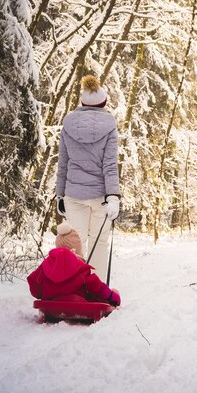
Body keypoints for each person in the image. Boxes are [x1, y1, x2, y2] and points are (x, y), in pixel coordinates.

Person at [55, 74, 120, 282]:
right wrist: (113, 196)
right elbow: (109, 166)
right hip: (100, 196)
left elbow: (63, 163)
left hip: (73, 195)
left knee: (74, 243)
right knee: (99, 242)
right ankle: (96, 288)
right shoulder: (109, 127)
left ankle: (70, 288)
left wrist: (60, 195)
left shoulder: (68, 125)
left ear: (82, 102)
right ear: (103, 102)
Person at [27, 222, 121, 306]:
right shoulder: (80, 269)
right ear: (77, 251)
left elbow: (34, 285)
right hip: (76, 303)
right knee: (94, 295)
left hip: (51, 303)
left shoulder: (45, 266)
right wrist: (112, 297)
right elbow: (97, 286)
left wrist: (42, 293)